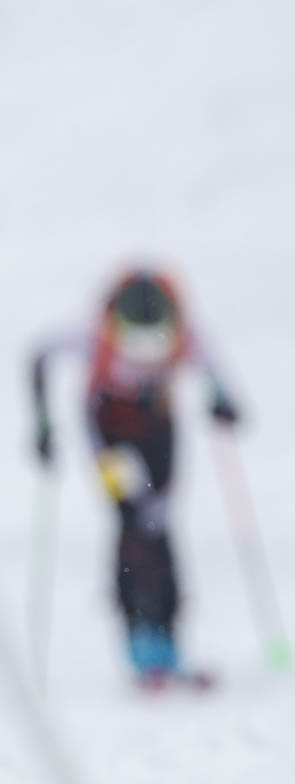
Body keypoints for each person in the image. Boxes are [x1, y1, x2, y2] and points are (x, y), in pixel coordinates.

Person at [30, 269, 241, 683]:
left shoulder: (186, 335)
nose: (144, 356)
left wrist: (222, 400)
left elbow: (214, 370)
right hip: (108, 435)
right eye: (134, 343)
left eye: (154, 344)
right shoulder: (92, 335)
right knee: (131, 520)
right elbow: (38, 357)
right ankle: (140, 640)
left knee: (160, 524)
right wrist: (42, 422)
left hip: (158, 430)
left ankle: (168, 641)